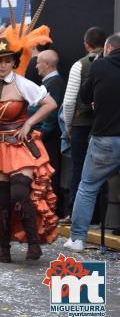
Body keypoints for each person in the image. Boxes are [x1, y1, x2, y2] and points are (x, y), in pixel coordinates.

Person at [0, 35, 59, 263]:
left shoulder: (23, 84)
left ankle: (33, 243)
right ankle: (4, 249)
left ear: (13, 62)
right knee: (1, 201)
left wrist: (30, 123)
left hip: (20, 147)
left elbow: (50, 103)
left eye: (7, 61)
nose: (2, 65)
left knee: (19, 194)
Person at [65, 33, 120, 252]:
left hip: (105, 137)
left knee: (88, 187)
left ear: (107, 49)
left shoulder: (100, 66)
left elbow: (85, 97)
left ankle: (78, 238)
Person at [61, 26, 106, 223]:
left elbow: (69, 100)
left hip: (81, 123)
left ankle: (75, 214)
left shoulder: (80, 65)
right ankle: (100, 215)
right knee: (103, 170)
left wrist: (69, 124)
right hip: (105, 124)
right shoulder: (110, 63)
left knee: (79, 169)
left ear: (86, 44)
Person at [35, 50, 66, 216]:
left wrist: (41, 132)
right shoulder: (51, 82)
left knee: (49, 172)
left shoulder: (55, 84)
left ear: (47, 64)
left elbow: (52, 113)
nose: (36, 65)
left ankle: (51, 208)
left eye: (38, 61)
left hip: (49, 138)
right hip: (44, 136)